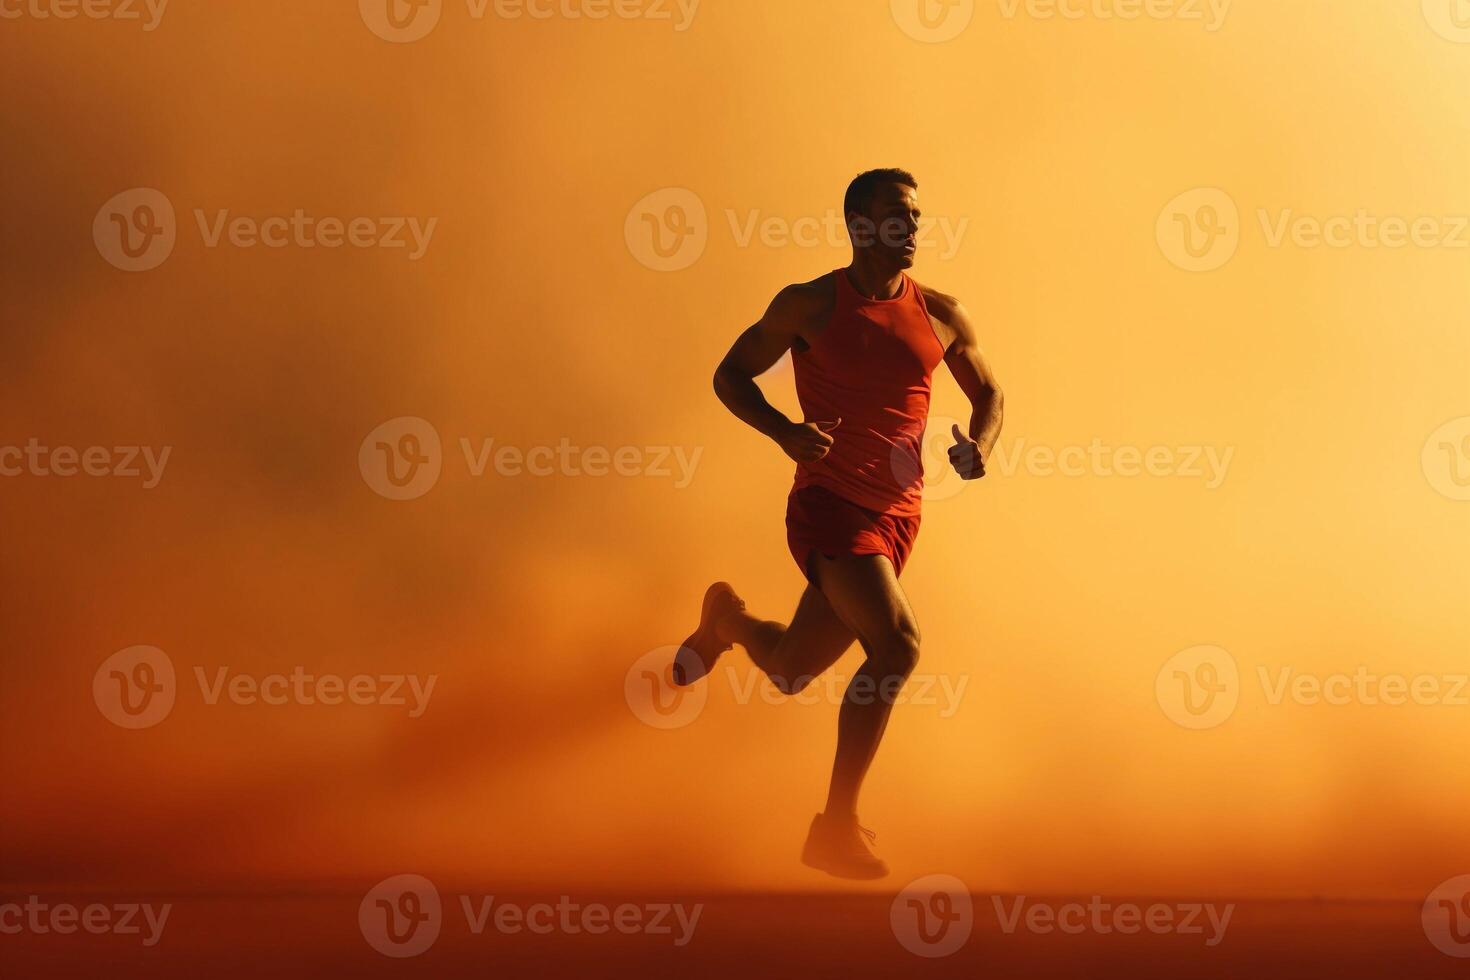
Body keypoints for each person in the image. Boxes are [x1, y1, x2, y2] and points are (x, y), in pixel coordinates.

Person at [673, 169, 1005, 879]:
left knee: (792, 668)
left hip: (897, 521)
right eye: (896, 215)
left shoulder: (943, 313)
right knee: (898, 646)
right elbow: (730, 374)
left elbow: (991, 391)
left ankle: (725, 620)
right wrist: (783, 431)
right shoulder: (810, 305)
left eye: (916, 215)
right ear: (858, 225)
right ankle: (836, 825)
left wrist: (981, 445)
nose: (912, 227)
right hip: (826, 505)